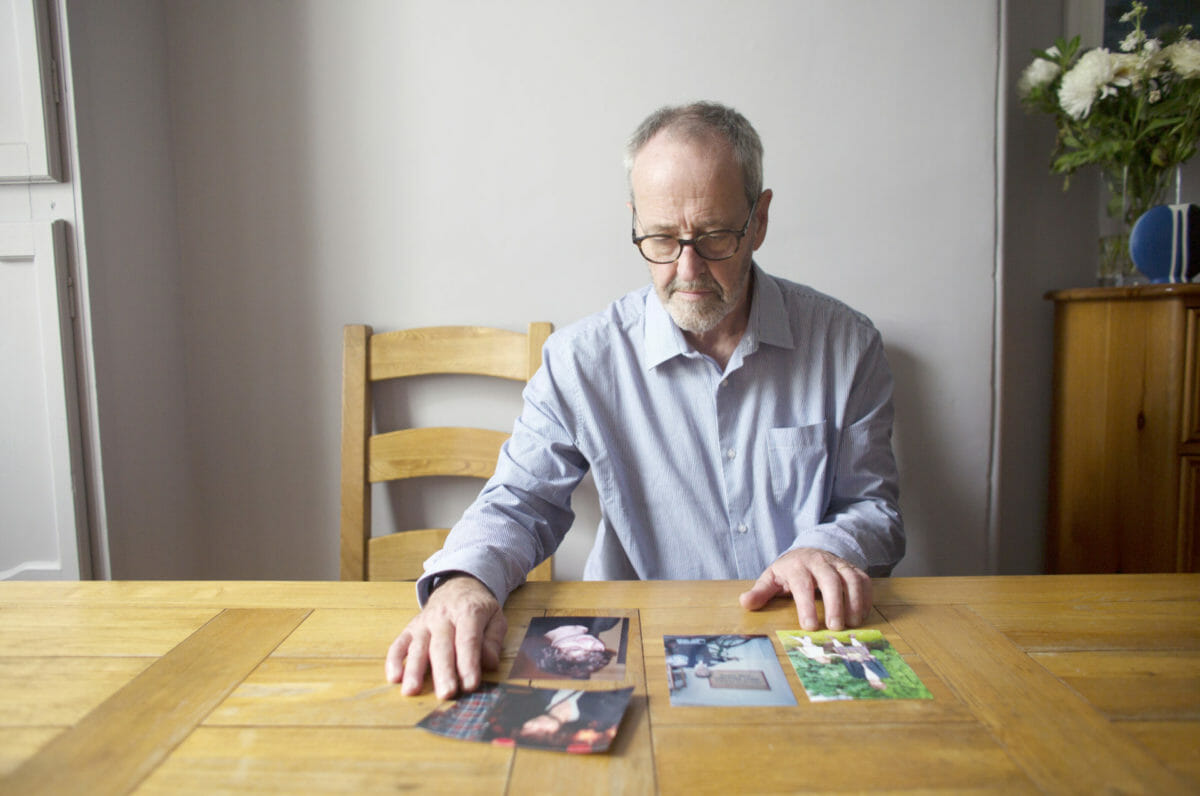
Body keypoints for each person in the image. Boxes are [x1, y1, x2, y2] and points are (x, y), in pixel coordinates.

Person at [386, 101, 904, 699]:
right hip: (636, 646)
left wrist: (824, 546)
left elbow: (874, 509)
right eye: (660, 238)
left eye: (713, 237)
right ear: (634, 220)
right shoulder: (581, 359)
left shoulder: (847, 344)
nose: (687, 269)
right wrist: (463, 581)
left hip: (800, 634)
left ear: (758, 220)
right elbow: (520, 501)